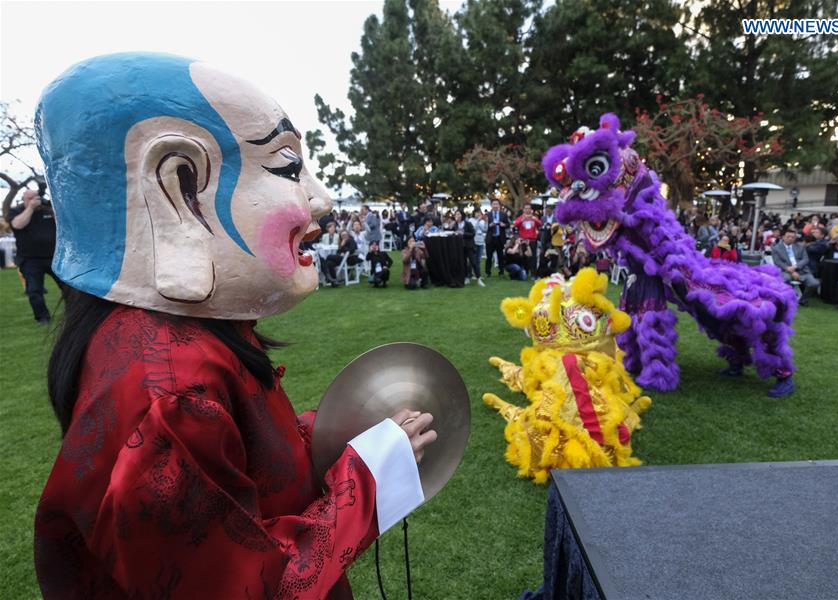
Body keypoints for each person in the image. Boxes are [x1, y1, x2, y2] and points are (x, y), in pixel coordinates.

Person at [33, 53, 437, 599]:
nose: (320, 199)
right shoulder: (169, 389)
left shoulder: (186, 338)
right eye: (288, 167)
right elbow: (245, 586)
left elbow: (242, 464)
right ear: (178, 184)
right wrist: (365, 477)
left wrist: (340, 431)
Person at [6, 188, 66, 325]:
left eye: (36, 197)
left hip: (54, 257)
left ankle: (73, 313)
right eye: (31, 198)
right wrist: (31, 208)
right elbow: (17, 225)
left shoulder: (47, 209)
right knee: (34, 290)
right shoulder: (16, 211)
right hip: (30, 259)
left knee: (68, 287)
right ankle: (42, 317)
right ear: (25, 199)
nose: (35, 200)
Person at [771, 229, 819, 305]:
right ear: (783, 237)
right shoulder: (776, 248)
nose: (790, 238)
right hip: (786, 271)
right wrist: (791, 271)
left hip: (802, 271)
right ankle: (787, 299)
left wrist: (796, 267)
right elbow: (778, 262)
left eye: (793, 237)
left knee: (814, 283)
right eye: (788, 237)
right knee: (785, 279)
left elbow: (805, 259)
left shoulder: (800, 247)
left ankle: (803, 300)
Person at [513, 205, 541, 277]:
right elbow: (515, 224)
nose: (527, 210)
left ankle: (533, 273)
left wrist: (533, 218)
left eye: (529, 208)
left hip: (532, 240)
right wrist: (523, 219)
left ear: (531, 210)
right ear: (524, 210)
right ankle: (525, 271)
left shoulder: (534, 218)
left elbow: (540, 224)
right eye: (526, 208)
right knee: (524, 257)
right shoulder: (521, 218)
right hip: (523, 240)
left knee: (533, 257)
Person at [484, 199, 510, 278]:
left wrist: (504, 225)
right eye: (493, 204)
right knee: (489, 256)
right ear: (491, 205)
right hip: (490, 238)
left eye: (497, 204)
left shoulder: (503, 214)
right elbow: (484, 227)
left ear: (499, 205)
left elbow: (508, 224)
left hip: (500, 238)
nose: (495, 206)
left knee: (500, 256)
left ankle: (501, 272)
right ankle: (488, 272)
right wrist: (489, 225)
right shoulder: (487, 215)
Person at [469, 208, 487, 285]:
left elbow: (485, 230)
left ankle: (478, 274)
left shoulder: (482, 221)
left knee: (478, 260)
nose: (478, 214)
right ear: (474, 213)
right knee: (472, 260)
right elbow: (473, 230)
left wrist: (486, 222)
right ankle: (469, 274)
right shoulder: (471, 220)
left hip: (481, 241)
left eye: (479, 213)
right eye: (476, 213)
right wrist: (478, 221)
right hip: (473, 242)